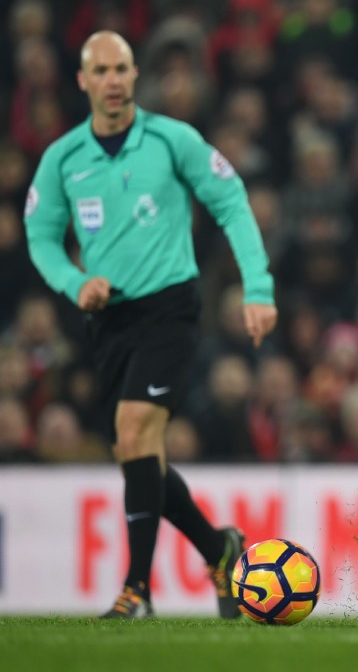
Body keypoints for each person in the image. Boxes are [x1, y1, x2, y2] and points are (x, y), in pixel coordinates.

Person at [24, 31, 278, 619]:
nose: (113, 81)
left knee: (135, 431)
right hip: (107, 318)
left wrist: (258, 288)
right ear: (82, 80)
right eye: (101, 71)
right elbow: (39, 236)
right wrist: (73, 282)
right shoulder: (63, 159)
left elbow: (231, 200)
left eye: (122, 69)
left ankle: (137, 591)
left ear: (135, 75)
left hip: (170, 306)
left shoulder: (171, 140)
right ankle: (220, 549)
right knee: (139, 454)